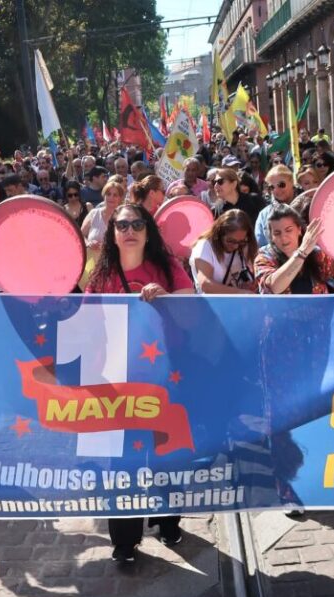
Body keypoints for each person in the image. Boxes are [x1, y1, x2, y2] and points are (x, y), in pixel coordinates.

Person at [85, 204, 192, 562]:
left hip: (165, 378)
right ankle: (125, 540)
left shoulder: (167, 267)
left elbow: (192, 306)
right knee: (123, 461)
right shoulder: (102, 274)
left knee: (166, 454)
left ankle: (168, 521)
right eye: (122, 225)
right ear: (113, 233)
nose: (129, 230)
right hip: (118, 382)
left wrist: (165, 297)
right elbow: (86, 319)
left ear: (148, 231)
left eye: (137, 224)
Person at [190, 209, 258, 294]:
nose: (236, 246)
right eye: (231, 241)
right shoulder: (204, 246)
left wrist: (247, 286)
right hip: (211, 302)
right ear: (219, 233)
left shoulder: (245, 246)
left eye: (241, 241)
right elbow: (205, 284)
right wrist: (240, 293)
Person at [254, 164, 297, 247]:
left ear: (292, 182)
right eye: (272, 187)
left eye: (281, 185)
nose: (276, 190)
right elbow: (261, 246)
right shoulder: (264, 215)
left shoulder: (307, 206)